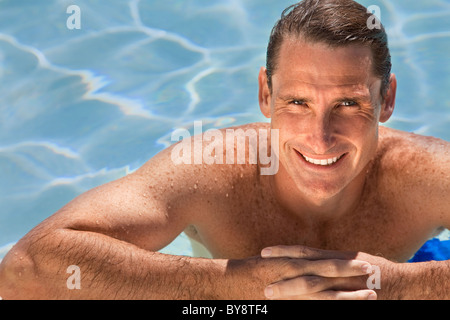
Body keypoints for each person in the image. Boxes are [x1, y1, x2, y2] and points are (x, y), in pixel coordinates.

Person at [0, 0, 449, 300]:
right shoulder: (210, 169)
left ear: (387, 99)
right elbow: (25, 269)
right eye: (297, 102)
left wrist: (402, 285)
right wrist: (238, 286)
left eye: (348, 103)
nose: (320, 136)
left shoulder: (426, 174)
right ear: (264, 93)